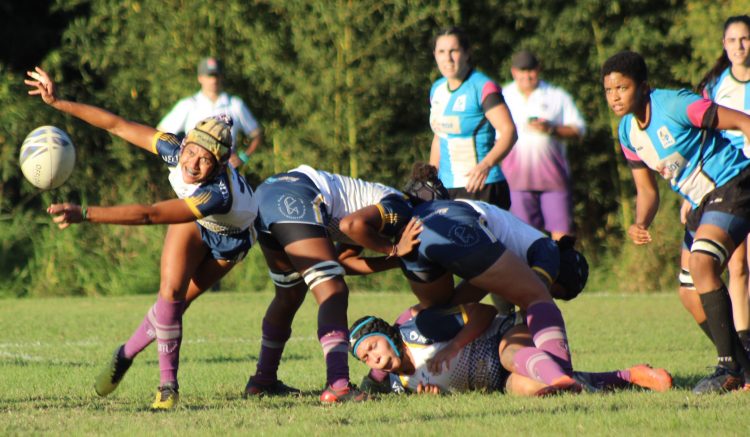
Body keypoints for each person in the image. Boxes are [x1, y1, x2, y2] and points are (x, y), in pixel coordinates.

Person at [25, 67, 258, 410]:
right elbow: (115, 125)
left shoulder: (217, 194)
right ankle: (168, 388)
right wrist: (59, 102)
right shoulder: (174, 148)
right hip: (193, 221)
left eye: (206, 160)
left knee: (177, 307)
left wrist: (87, 214)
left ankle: (125, 354)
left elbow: (150, 214)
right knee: (170, 298)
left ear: (221, 165)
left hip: (232, 239)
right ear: (186, 142)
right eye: (192, 151)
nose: (193, 163)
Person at [601, 50, 750, 394]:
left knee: (701, 264)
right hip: (702, 202)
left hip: (733, 185)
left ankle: (727, 368)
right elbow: (647, 191)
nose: (614, 97)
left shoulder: (677, 105)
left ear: (644, 87)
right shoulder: (627, 133)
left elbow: (743, 121)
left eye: (622, 88)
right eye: (609, 91)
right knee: (688, 293)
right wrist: (641, 222)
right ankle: (745, 368)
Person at [243, 165, 417, 403]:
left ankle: (262, 381)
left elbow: (343, 262)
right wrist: (395, 250)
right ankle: (338, 386)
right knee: (333, 290)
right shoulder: (402, 206)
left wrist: (395, 262)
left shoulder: (376, 215)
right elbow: (350, 226)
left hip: (266, 195)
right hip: (296, 194)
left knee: (289, 294)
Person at [375, 197, 576, 380]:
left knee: (441, 308)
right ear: (559, 276)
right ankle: (562, 372)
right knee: (537, 297)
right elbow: (533, 297)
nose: (553, 295)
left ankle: (375, 374)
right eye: (557, 293)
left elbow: (473, 291)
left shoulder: (516, 241)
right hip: (457, 226)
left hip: (418, 227)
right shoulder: (548, 252)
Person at [349, 303, 672, 396]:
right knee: (533, 389)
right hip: (497, 382)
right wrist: (438, 397)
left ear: (389, 337)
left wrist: (455, 346)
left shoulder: (423, 328)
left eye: (373, 347)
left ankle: (564, 379)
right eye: (365, 358)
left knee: (510, 356)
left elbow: (485, 312)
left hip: (503, 336)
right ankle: (631, 376)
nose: (373, 358)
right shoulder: (399, 387)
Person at [680, 15, 750, 356]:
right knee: (736, 265)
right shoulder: (713, 86)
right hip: (727, 182)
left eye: (745, 39)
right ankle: (743, 341)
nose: (739, 46)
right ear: (724, 45)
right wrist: (690, 194)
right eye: (733, 40)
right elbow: (699, 144)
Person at [500, 50, 586, 240]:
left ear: (538, 70)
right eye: (522, 71)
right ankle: (533, 271)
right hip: (516, 180)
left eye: (531, 70)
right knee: (524, 238)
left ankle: (564, 270)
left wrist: (551, 129)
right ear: (514, 72)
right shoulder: (503, 96)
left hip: (553, 178)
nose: (527, 76)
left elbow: (578, 130)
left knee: (562, 238)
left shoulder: (556, 96)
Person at [429, 27, 518, 209]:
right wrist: (430, 177)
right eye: (441, 52)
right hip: (447, 188)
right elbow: (439, 136)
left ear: (467, 53)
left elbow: (509, 132)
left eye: (454, 51)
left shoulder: (482, 87)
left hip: (482, 186)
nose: (448, 58)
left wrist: (486, 165)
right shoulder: (436, 89)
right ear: (435, 55)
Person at [158, 57, 262, 169]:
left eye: (216, 75)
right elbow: (161, 132)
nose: (213, 80)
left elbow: (256, 134)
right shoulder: (188, 105)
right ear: (200, 78)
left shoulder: (235, 104)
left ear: (222, 77)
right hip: (194, 170)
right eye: (209, 76)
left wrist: (243, 157)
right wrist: (180, 155)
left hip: (225, 171)